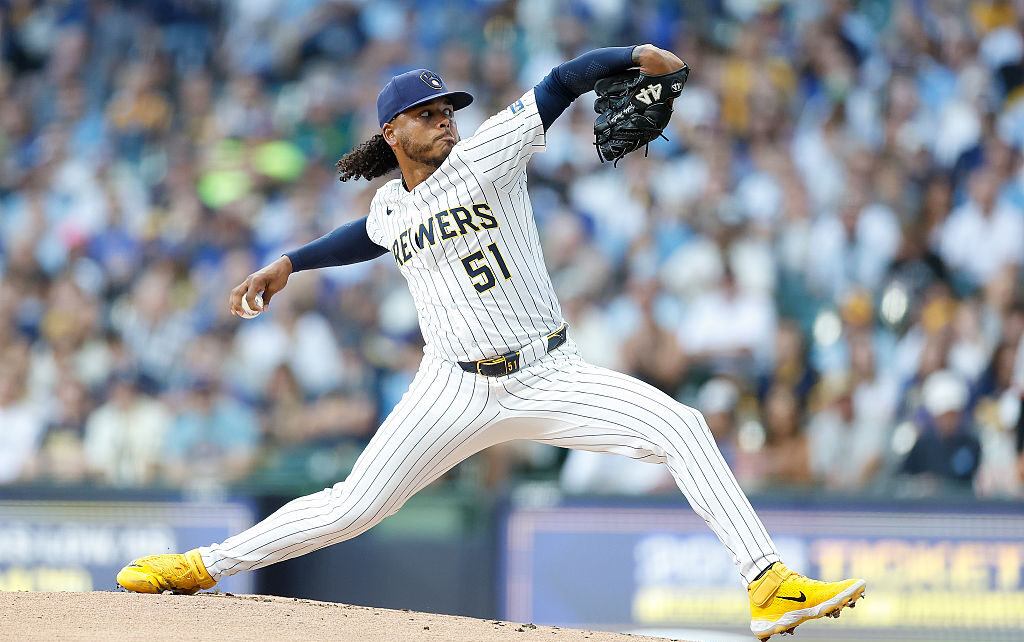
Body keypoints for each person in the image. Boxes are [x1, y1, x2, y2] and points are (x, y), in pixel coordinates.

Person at [115, 45, 864, 640]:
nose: (445, 120)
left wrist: (634, 57)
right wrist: (291, 262)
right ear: (392, 133)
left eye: (447, 109)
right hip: (452, 387)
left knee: (682, 426)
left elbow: (562, 81)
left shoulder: (489, 154)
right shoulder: (390, 203)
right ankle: (203, 565)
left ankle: (768, 583)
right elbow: (368, 234)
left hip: (547, 372)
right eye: (427, 113)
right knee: (352, 507)